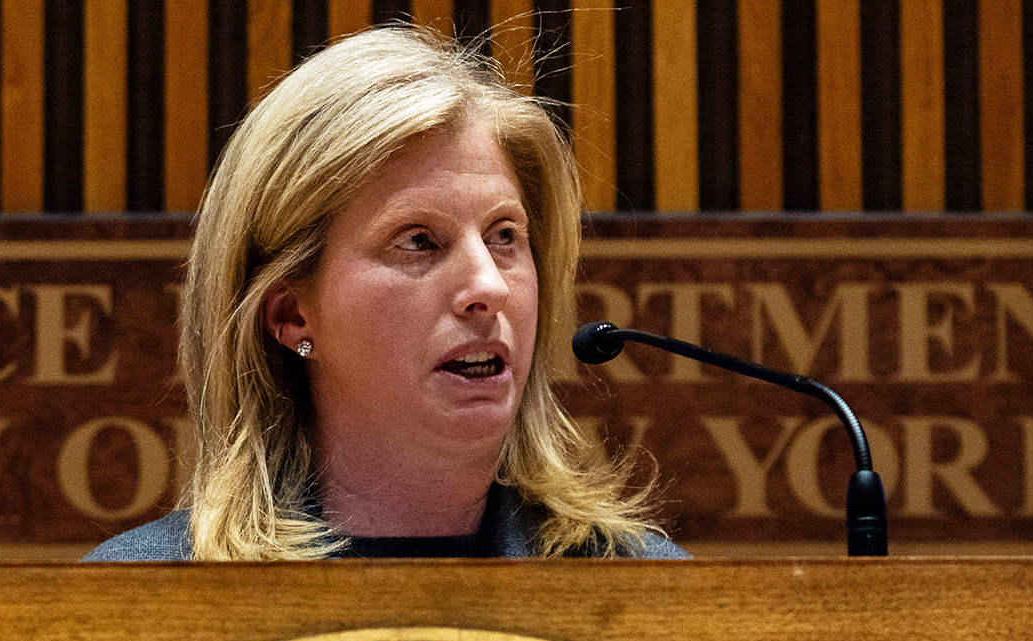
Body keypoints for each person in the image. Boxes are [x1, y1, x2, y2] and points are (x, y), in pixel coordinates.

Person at [84, 26, 683, 561]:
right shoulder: (136, 599)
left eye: (505, 235)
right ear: (292, 315)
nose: (489, 286)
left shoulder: (652, 593)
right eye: (419, 241)